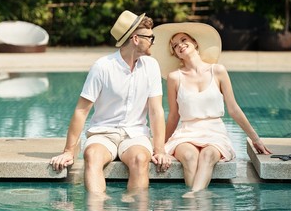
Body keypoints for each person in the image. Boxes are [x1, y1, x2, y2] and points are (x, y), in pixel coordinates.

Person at [50, 10, 171, 197]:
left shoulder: (152, 66)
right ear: (136, 39)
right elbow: (82, 110)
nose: (153, 41)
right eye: (150, 37)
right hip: (103, 133)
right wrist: (68, 151)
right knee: (92, 156)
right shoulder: (102, 67)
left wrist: (160, 149)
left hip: (135, 135)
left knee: (140, 159)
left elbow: (156, 111)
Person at [151, 22, 272, 198]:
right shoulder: (174, 77)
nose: (179, 45)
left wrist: (255, 139)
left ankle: (193, 196)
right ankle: (198, 200)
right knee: (190, 157)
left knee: (208, 155)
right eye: (175, 46)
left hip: (215, 132)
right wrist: (159, 147)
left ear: (195, 43)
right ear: (175, 53)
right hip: (187, 132)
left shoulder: (218, 71)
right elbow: (174, 116)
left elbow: (234, 109)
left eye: (183, 40)